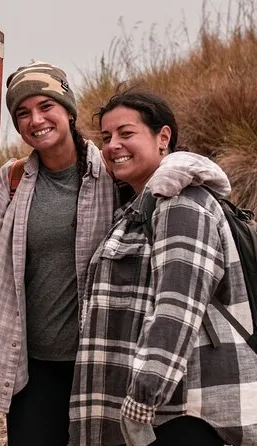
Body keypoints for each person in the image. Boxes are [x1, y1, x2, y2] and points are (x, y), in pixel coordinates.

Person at [69, 89, 257, 445]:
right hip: (166, 410)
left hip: (183, 411)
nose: (113, 145)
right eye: (107, 137)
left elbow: (177, 309)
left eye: (126, 133)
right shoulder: (140, 207)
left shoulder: (179, 202)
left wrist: (142, 401)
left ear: (163, 137)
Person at [0, 61, 117, 445]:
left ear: (68, 111)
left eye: (46, 106)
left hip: (96, 362)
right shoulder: (11, 179)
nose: (36, 120)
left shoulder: (111, 174)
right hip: (31, 367)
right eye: (22, 113)